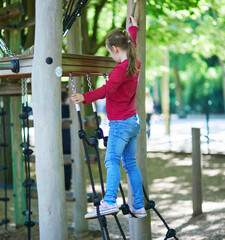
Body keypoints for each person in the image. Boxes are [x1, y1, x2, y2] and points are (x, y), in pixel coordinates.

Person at [71, 15, 146, 219]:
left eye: (109, 51)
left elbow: (106, 90)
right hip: (133, 121)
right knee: (130, 164)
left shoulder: (119, 71)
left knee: (111, 160)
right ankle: (138, 206)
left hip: (121, 124)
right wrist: (133, 29)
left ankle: (109, 201)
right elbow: (132, 44)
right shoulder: (134, 63)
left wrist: (84, 97)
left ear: (114, 49)